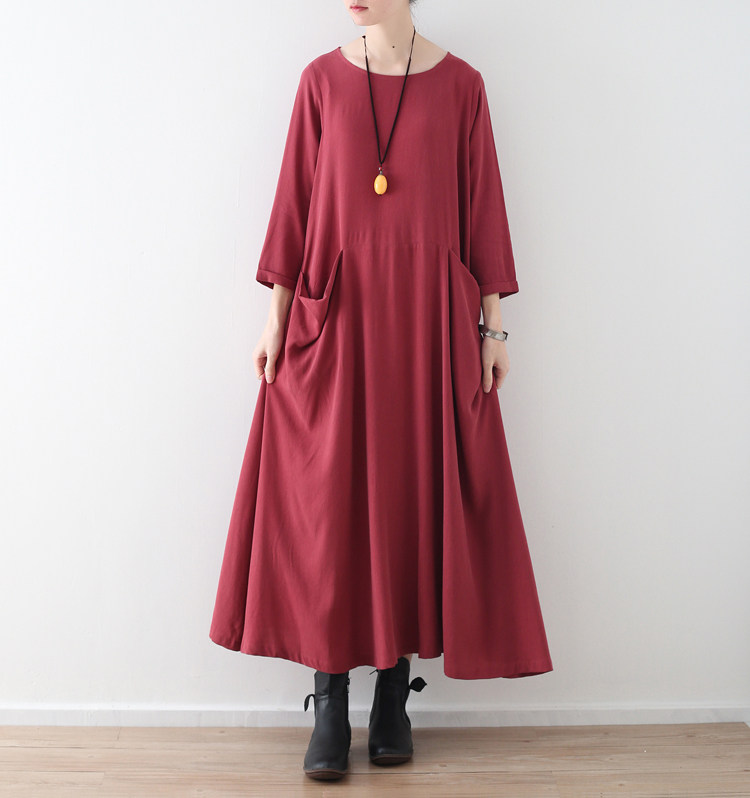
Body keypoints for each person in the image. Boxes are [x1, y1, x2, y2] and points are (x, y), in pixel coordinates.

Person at [209, 0, 554, 781]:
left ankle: (393, 694)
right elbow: (295, 206)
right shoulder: (320, 83)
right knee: (331, 505)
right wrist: (276, 320)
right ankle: (330, 699)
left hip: (429, 325)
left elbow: (483, 209)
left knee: (408, 498)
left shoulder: (463, 87)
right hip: (338, 318)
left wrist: (494, 329)